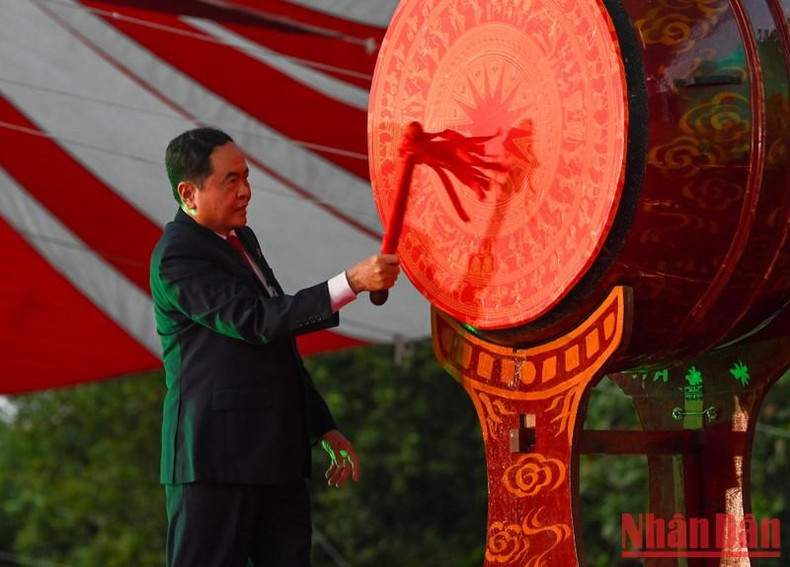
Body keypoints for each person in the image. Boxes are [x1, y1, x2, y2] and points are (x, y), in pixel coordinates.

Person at [149, 127, 400, 566]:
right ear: (189, 193)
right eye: (231, 181)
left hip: (276, 456)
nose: (245, 191)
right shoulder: (177, 255)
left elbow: (277, 346)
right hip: (215, 462)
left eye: (246, 177)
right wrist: (351, 283)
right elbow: (256, 322)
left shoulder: (242, 240)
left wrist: (323, 425)